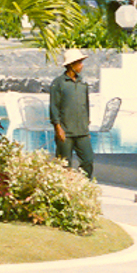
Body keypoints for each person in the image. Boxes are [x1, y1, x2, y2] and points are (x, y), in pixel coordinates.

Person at [49, 48, 93, 178]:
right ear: (71, 65)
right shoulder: (58, 83)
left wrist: (86, 126)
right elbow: (54, 107)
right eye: (79, 62)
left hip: (82, 131)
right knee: (64, 164)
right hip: (65, 132)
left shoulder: (83, 83)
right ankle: (66, 189)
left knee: (88, 160)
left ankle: (84, 186)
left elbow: (86, 105)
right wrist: (58, 128)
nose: (82, 65)